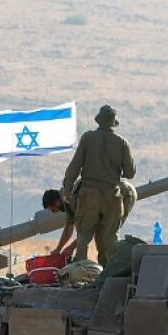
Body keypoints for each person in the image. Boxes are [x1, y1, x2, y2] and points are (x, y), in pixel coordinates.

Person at [62, 104, 136, 266]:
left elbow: (74, 166)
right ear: (113, 123)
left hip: (89, 195)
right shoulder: (122, 143)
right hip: (113, 197)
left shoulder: (88, 138)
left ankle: (81, 271)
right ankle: (108, 274)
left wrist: (67, 190)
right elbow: (130, 173)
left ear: (99, 121)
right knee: (110, 239)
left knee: (84, 236)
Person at [42, 180, 138, 258]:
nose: (57, 211)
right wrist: (58, 249)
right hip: (114, 194)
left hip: (122, 193)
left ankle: (115, 269)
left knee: (107, 235)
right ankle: (107, 268)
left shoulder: (77, 197)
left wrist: (71, 248)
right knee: (101, 236)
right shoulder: (68, 202)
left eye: (55, 209)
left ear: (57, 200)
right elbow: (68, 229)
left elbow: (89, 229)